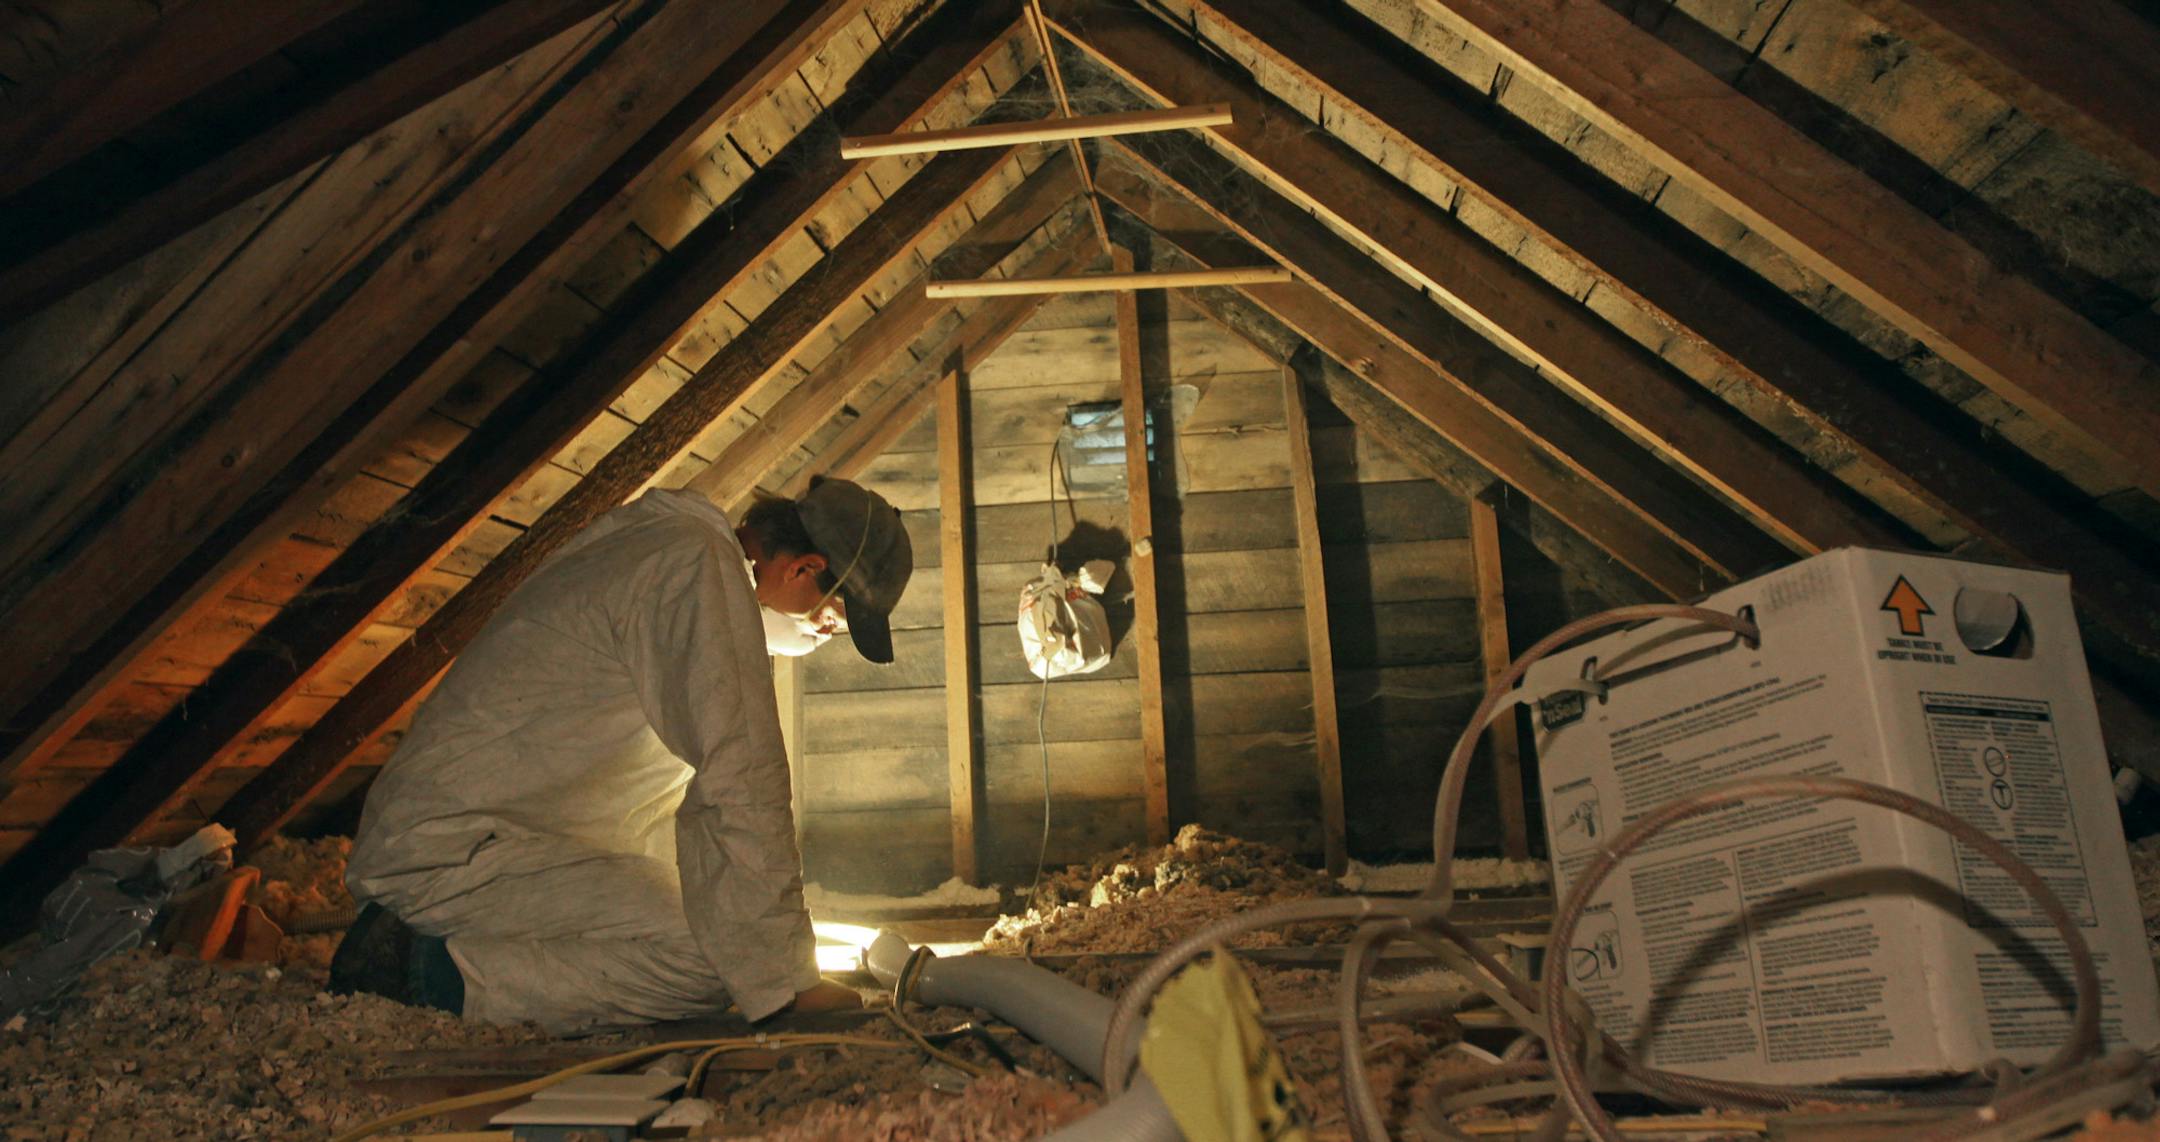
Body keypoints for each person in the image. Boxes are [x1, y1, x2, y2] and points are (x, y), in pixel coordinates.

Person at [327, 477, 911, 1034]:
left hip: (480, 843)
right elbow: (742, 768)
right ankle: (422, 973)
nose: (820, 637)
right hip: (449, 858)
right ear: (802, 568)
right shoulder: (692, 568)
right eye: (830, 621)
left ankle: (423, 945)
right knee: (718, 960)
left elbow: (661, 810)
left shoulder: (675, 551)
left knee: (726, 939)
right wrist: (787, 979)